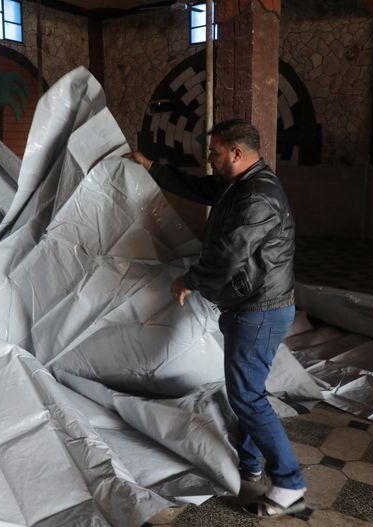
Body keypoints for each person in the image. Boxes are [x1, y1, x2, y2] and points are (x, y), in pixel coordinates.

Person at [124, 119, 305, 518]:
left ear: (237, 153)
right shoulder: (242, 184)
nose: (210, 159)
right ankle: (251, 460)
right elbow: (204, 188)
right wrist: (153, 167)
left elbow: (229, 255)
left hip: (259, 310)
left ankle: (289, 482)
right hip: (256, 305)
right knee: (250, 389)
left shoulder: (257, 196)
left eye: (215, 152)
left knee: (246, 396)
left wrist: (191, 280)